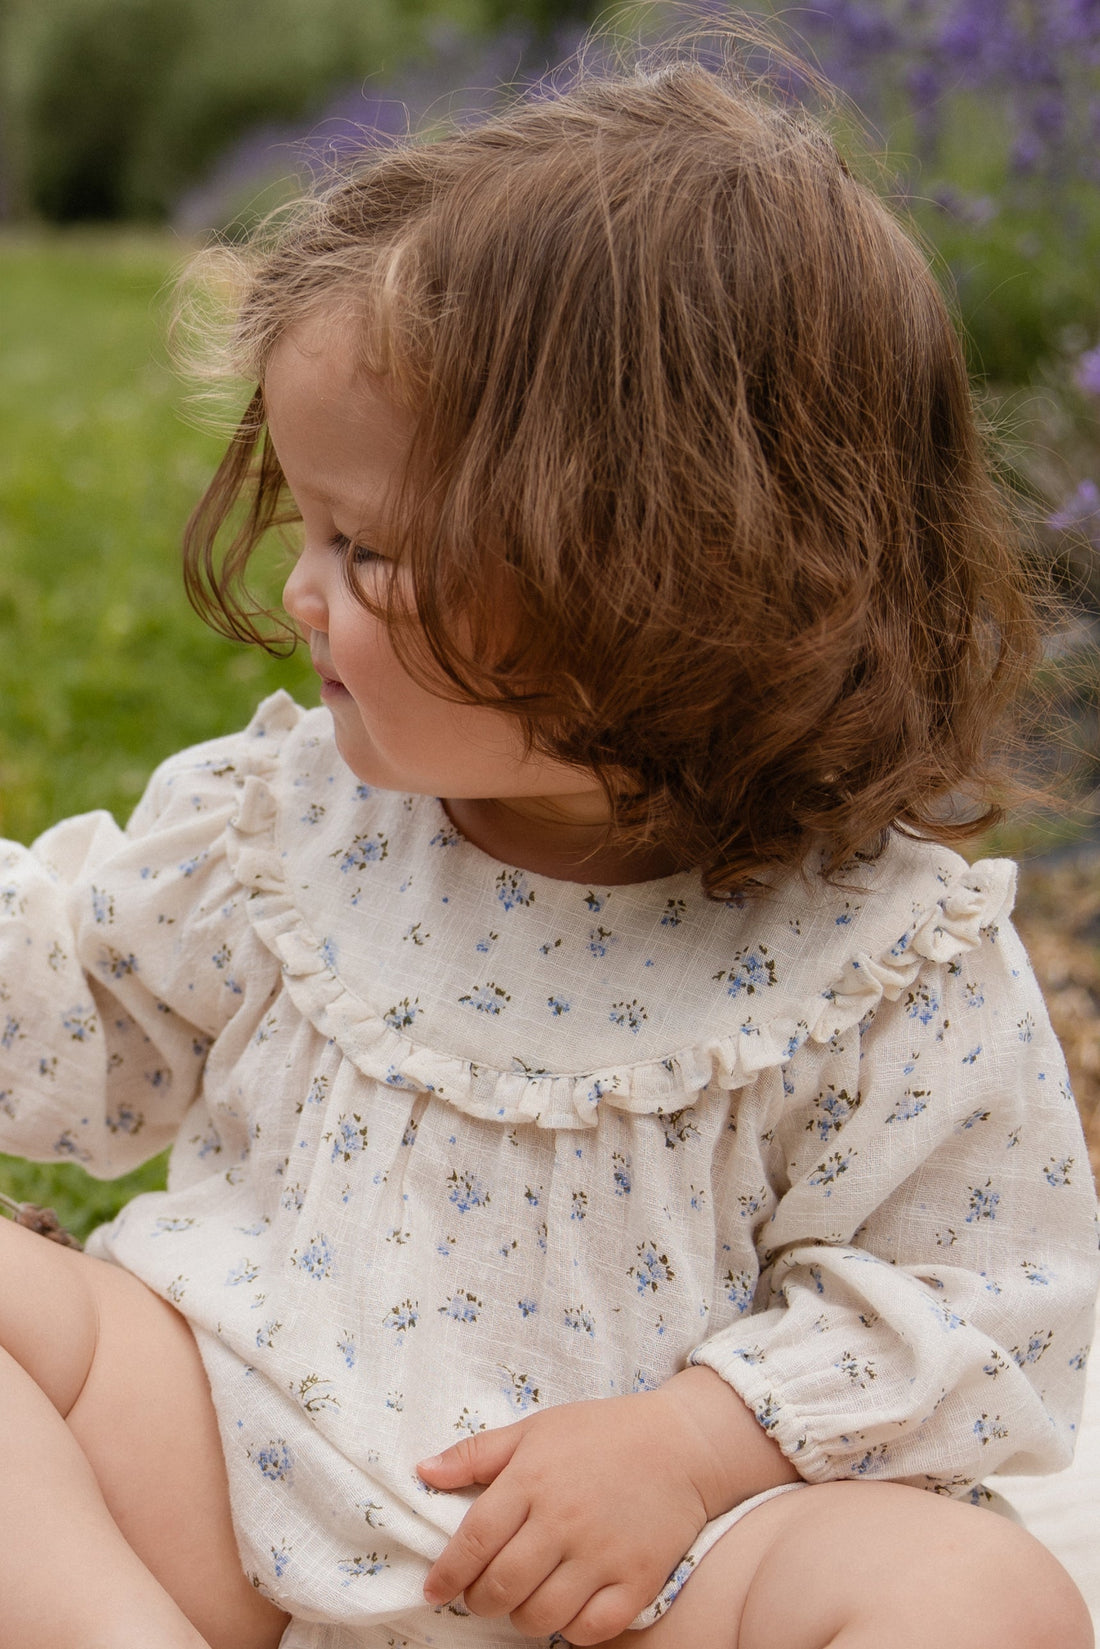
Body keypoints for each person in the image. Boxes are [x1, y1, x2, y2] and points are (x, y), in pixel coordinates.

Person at [0, 44, 1097, 1649]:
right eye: (312, 526)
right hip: (235, 1481)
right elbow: (66, 995)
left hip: (640, 1581)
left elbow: (991, 1305)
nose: (305, 593)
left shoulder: (884, 958)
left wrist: (693, 1440)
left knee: (975, 1596)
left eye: (367, 548)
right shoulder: (289, 829)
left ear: (655, 590)